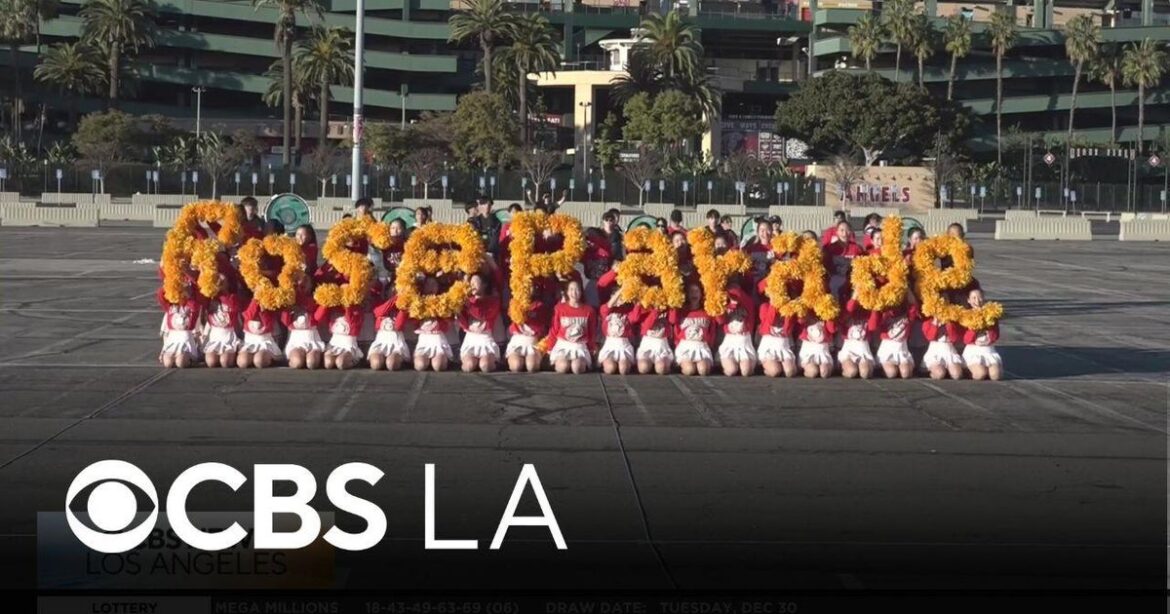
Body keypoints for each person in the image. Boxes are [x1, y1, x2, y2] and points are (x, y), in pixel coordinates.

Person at [546, 279, 596, 374]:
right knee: (563, 367)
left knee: (577, 368)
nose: (574, 292)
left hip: (580, 346)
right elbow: (554, 329)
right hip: (563, 344)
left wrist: (591, 348)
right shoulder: (559, 308)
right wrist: (550, 348)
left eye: (577, 289)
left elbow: (591, 331)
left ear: (581, 292)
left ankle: (580, 364)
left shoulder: (589, 310)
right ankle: (559, 363)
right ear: (567, 292)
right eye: (571, 289)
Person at [458, 272, 501, 373]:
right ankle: (472, 361)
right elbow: (462, 322)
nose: (471, 285)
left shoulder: (493, 301)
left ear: (484, 284)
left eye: (475, 282)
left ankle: (491, 362)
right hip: (470, 339)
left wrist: (466, 303)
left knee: (485, 366)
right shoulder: (466, 301)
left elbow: (481, 314)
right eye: (470, 282)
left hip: (485, 339)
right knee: (468, 367)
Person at [282, 278, 325, 370]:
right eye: (298, 281)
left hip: (313, 341)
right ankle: (291, 359)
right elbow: (285, 321)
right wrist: (289, 306)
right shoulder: (289, 299)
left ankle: (314, 357)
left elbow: (317, 317)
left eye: (306, 280)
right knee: (297, 363)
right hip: (296, 341)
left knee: (312, 364)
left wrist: (324, 302)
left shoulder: (316, 299)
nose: (301, 282)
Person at [412, 278, 454, 372]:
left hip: (438, 339)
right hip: (424, 339)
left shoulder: (444, 301)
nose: (431, 287)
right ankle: (419, 357)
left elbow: (447, 324)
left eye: (434, 284)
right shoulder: (417, 302)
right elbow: (413, 321)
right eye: (428, 284)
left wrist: (441, 311)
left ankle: (442, 358)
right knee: (420, 366)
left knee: (438, 366)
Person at [674, 283, 715, 376]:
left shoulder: (707, 311)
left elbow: (712, 331)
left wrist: (710, 344)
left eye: (697, 291)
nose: (694, 294)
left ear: (701, 294)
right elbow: (675, 330)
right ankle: (682, 365)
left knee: (703, 370)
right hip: (686, 346)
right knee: (690, 370)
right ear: (687, 295)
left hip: (702, 346)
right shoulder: (681, 311)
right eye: (691, 291)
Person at [961, 288, 1003, 381]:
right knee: (980, 374)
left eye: (980, 297)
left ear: (984, 299)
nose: (977, 301)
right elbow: (966, 340)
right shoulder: (966, 316)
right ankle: (968, 370)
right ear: (969, 300)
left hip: (988, 350)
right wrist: (974, 328)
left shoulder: (991, 314)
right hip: (974, 351)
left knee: (996, 376)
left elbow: (996, 335)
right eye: (974, 298)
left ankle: (990, 369)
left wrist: (988, 329)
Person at [505, 289, 549, 373]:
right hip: (517, 341)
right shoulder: (515, 303)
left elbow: (543, 329)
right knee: (516, 366)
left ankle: (537, 360)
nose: (528, 289)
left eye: (531, 286)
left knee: (531, 367)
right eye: (525, 286)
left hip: (533, 342)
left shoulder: (540, 306)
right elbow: (513, 322)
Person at [598, 290, 641, 375]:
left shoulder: (628, 310)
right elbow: (609, 305)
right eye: (616, 296)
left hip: (624, 345)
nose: (619, 298)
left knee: (623, 369)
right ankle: (608, 363)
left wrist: (636, 300)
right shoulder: (605, 310)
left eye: (621, 297)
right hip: (610, 345)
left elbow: (635, 318)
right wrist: (621, 290)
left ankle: (624, 363)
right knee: (610, 369)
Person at [717, 285, 756, 376]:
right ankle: (725, 365)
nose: (734, 296)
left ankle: (742, 365)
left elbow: (741, 296)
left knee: (746, 372)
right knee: (731, 371)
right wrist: (729, 302)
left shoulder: (748, 305)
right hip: (730, 341)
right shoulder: (724, 306)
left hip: (744, 341)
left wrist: (735, 296)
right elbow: (720, 320)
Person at [158, 289, 202, 369]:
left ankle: (191, 358)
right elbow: (160, 295)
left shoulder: (192, 306)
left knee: (181, 363)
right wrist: (170, 285)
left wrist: (187, 297)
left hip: (185, 340)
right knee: (168, 363)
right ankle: (175, 355)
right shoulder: (170, 306)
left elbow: (195, 307)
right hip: (173, 339)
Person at [875, 296, 918, 379]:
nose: (896, 303)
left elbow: (914, 304)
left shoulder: (908, 316)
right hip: (887, 352)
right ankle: (883, 369)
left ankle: (902, 368)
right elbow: (874, 324)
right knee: (892, 373)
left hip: (902, 351)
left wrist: (904, 288)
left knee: (906, 374)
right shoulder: (884, 315)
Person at [203, 277, 241, 368]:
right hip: (215, 336)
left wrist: (222, 292)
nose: (219, 282)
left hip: (229, 336)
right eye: (217, 280)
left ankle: (235, 352)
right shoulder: (209, 298)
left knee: (225, 362)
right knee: (211, 362)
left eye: (223, 281)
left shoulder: (232, 297)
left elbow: (233, 306)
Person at [837, 289, 876, 379]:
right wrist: (855, 296)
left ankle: (865, 367)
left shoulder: (868, 312)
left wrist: (875, 305)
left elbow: (872, 326)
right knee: (852, 372)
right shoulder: (845, 311)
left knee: (865, 374)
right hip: (849, 350)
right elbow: (848, 311)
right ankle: (843, 368)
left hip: (864, 350)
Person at [757, 294, 798, 378]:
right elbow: (768, 323)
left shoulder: (788, 308)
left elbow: (788, 330)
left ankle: (781, 365)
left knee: (790, 373)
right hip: (769, 347)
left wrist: (788, 308)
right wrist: (774, 304)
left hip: (783, 347)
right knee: (775, 372)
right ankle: (765, 367)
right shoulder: (765, 306)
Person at [368, 292, 410, 371]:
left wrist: (402, 305)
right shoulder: (380, 303)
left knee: (392, 364)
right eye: (392, 290)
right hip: (380, 343)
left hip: (397, 344)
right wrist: (395, 299)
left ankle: (398, 360)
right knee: (376, 364)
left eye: (397, 291)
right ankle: (381, 359)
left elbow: (398, 326)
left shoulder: (403, 307)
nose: (395, 293)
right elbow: (378, 312)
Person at [238, 296, 282, 369]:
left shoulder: (271, 300)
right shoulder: (246, 299)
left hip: (265, 341)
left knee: (260, 361)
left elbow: (268, 326)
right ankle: (252, 357)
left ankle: (269, 357)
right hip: (250, 341)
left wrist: (263, 311)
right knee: (242, 362)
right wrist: (256, 300)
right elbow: (248, 316)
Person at [319, 302, 364, 370]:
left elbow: (353, 329)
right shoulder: (333, 306)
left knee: (341, 363)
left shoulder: (356, 308)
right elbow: (318, 318)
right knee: (328, 364)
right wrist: (325, 303)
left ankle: (353, 360)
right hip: (334, 344)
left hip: (349, 346)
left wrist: (347, 304)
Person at [824, 221, 862, 297]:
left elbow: (861, 264)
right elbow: (827, 266)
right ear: (837, 232)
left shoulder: (857, 248)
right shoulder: (830, 248)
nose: (845, 233)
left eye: (847, 230)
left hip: (853, 279)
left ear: (851, 232)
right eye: (842, 230)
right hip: (836, 279)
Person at [921, 316, 963, 380]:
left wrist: (949, 323)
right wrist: (935, 323)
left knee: (957, 375)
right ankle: (931, 371)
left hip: (950, 351)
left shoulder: (953, 322)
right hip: (935, 352)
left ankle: (947, 371)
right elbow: (930, 337)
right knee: (939, 374)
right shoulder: (928, 323)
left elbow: (954, 339)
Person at [635, 306, 674, 375]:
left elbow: (672, 320)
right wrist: (656, 310)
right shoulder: (644, 306)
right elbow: (646, 327)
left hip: (662, 344)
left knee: (661, 368)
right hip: (647, 344)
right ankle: (650, 363)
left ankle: (661, 363)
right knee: (643, 368)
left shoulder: (666, 306)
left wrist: (672, 306)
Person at [797, 310, 835, 379]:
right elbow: (800, 321)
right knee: (813, 372)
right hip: (809, 349)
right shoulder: (805, 306)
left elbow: (832, 329)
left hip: (823, 349)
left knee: (824, 373)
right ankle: (804, 369)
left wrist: (828, 314)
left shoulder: (828, 306)